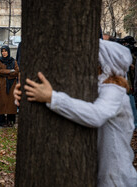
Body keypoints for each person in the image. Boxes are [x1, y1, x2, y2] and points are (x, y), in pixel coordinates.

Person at [14, 39, 137, 187]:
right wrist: (27, 95)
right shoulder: (100, 88)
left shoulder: (114, 90)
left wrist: (52, 97)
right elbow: (79, 103)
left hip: (117, 179)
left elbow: (96, 115)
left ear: (104, 64)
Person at [0, 45, 19, 127]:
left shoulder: (13, 61)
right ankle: (1, 121)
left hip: (12, 84)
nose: (4, 53)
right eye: (2, 51)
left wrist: (6, 74)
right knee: (2, 102)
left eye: (5, 51)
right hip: (2, 85)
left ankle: (11, 121)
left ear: (8, 52)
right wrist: (10, 71)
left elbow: (16, 72)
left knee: (11, 103)